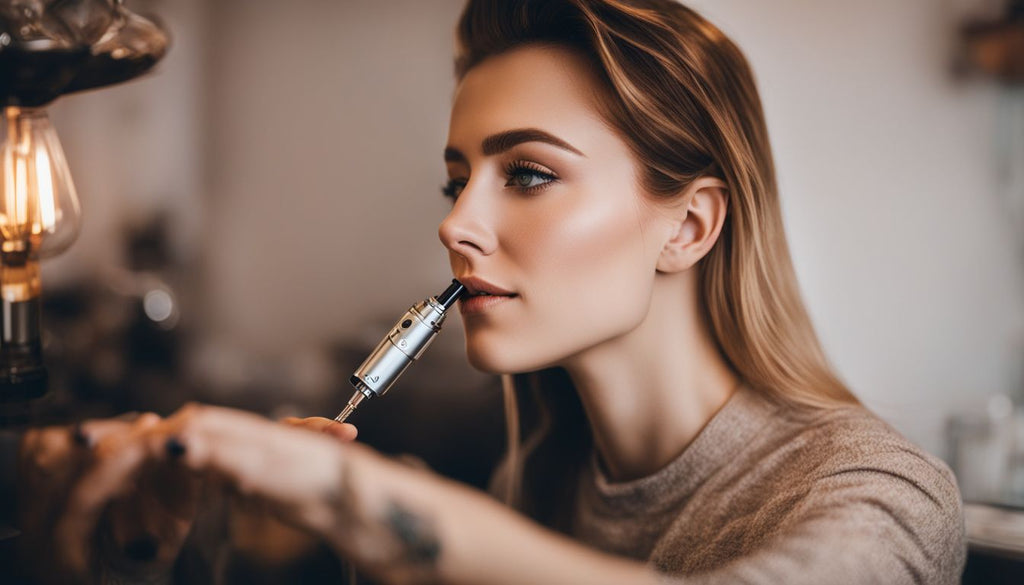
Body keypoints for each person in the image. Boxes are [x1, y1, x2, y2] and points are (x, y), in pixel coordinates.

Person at [12, 0, 966, 583]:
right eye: (455, 178)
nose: (455, 223)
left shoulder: (878, 494)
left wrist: (370, 504)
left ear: (690, 225)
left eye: (530, 174)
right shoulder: (536, 482)